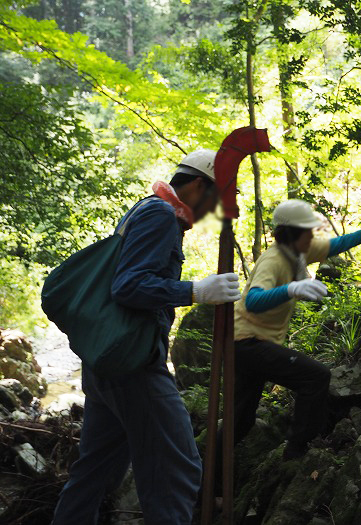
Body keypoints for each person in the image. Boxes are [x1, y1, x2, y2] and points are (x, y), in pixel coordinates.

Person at [53, 150, 242, 525]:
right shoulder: (161, 215)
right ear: (198, 186)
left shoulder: (145, 209)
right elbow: (130, 286)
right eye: (213, 201)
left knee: (96, 471)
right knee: (176, 470)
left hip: (106, 362)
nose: (211, 213)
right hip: (134, 366)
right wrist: (195, 291)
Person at [229, 195, 361, 460]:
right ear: (292, 233)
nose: (313, 235)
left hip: (250, 345)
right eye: (308, 231)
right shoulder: (273, 259)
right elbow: (252, 301)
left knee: (240, 423)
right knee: (315, 377)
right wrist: (291, 288)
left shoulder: (298, 252)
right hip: (248, 344)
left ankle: (204, 482)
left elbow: (338, 244)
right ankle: (297, 451)